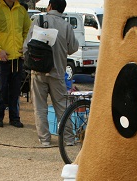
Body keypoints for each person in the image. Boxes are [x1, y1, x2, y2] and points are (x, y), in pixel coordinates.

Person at [23, 0, 79, 146]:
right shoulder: (67, 26)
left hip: (38, 71)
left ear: (49, 6)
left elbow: (26, 46)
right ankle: (68, 139)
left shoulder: (38, 20)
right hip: (58, 71)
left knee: (40, 107)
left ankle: (44, 139)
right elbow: (73, 48)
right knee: (62, 107)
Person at [0, 0, 31, 128]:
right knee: (0, 89)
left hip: (17, 57)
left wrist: (24, 46)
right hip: (1, 58)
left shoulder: (21, 11)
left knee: (15, 90)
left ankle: (14, 118)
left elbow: (28, 30)